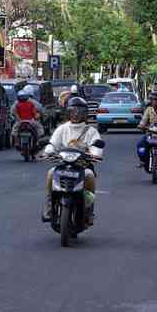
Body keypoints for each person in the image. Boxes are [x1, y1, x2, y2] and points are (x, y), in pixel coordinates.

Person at [41, 96, 103, 224]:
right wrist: (49, 150)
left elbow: (96, 146)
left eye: (79, 112)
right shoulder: (62, 128)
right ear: (68, 112)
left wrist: (95, 153)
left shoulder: (91, 131)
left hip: (83, 166)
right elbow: (53, 143)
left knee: (90, 176)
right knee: (51, 173)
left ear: (84, 114)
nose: (75, 114)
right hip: (63, 165)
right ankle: (48, 207)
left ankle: (89, 211)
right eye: (72, 111)